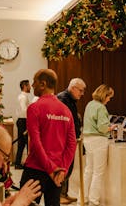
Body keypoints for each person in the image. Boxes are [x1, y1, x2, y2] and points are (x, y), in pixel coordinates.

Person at [20, 69, 77, 206]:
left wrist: (51, 169)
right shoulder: (66, 110)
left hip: (36, 169)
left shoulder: (34, 108)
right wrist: (62, 169)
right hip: (57, 173)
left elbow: (35, 142)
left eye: (34, 82)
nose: (32, 85)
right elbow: (72, 144)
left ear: (43, 84)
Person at [82, 84, 114, 206]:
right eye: (109, 97)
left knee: (88, 170)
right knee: (98, 172)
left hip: (88, 139)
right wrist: (111, 128)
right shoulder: (101, 107)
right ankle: (93, 201)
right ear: (104, 95)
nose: (109, 100)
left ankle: (82, 198)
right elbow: (102, 128)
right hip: (99, 141)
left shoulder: (90, 104)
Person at [57, 78, 86, 205]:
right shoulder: (63, 99)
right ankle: (59, 195)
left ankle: (64, 194)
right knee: (64, 167)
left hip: (69, 139)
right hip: (63, 140)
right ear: (73, 88)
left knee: (68, 166)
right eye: (80, 90)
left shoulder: (70, 99)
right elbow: (64, 121)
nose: (82, 93)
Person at [15, 79, 31, 169]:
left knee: (22, 144)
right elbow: (23, 110)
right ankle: (29, 164)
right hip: (23, 121)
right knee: (27, 143)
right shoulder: (23, 97)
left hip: (22, 121)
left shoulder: (23, 96)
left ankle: (18, 163)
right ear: (24, 86)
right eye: (28, 85)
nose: (30, 87)